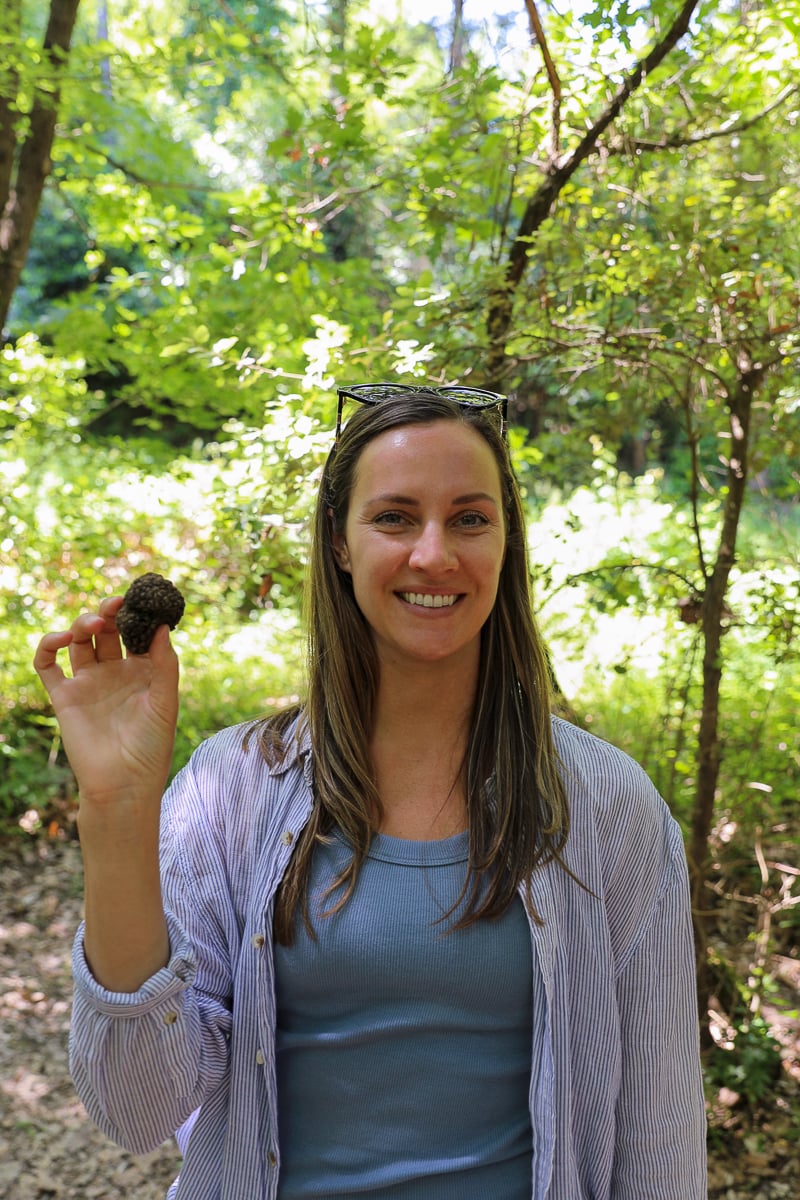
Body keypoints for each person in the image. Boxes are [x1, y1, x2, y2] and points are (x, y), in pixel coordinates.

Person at [34, 383, 708, 1200]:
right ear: (341, 542)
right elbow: (136, 1110)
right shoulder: (235, 788)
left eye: (470, 517)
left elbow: (659, 1136)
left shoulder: (606, 807)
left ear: (505, 543)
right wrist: (118, 810)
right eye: (394, 517)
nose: (434, 554)